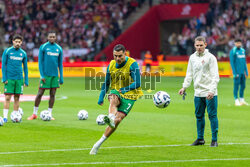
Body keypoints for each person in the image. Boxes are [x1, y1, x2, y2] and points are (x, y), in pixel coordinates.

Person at [90, 44, 143, 155]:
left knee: (117, 121)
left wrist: (125, 89)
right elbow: (107, 83)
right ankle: (110, 117)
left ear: (125, 54)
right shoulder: (112, 65)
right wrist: (101, 97)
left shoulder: (132, 64)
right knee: (113, 98)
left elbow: (138, 83)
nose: (118, 58)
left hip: (130, 95)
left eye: (120, 56)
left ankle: (97, 144)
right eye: (115, 56)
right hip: (117, 91)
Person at [178, 36, 220, 147]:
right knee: (199, 116)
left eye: (201, 45)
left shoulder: (211, 58)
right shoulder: (192, 58)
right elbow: (189, 74)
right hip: (198, 93)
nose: (199, 47)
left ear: (205, 45)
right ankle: (200, 139)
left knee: (212, 115)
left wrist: (211, 90)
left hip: (209, 92)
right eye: (197, 45)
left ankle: (214, 140)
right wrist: (184, 87)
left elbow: (215, 76)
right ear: (194, 45)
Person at [27, 31, 63, 120]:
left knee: (53, 94)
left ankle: (50, 114)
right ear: (47, 37)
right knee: (40, 94)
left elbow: (60, 64)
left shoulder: (59, 48)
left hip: (54, 76)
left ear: (55, 38)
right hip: (45, 75)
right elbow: (40, 62)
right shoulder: (43, 47)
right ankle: (34, 114)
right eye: (50, 37)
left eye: (53, 37)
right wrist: (42, 75)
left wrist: (61, 76)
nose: (52, 38)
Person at [1, 34, 28, 123]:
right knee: (8, 97)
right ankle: (5, 117)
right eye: (16, 41)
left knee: (17, 98)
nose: (17, 43)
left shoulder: (23, 53)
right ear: (13, 42)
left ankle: (16, 116)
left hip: (19, 79)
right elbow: (3, 66)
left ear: (21, 43)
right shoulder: (7, 51)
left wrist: (26, 80)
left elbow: (25, 68)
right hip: (10, 79)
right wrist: (4, 78)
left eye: (19, 42)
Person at [229, 39, 248, 106]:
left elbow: (244, 62)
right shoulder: (233, 51)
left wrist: (246, 72)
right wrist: (234, 73)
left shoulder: (243, 51)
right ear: (235, 43)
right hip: (237, 73)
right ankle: (236, 100)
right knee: (236, 86)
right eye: (237, 43)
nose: (238, 44)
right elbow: (232, 63)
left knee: (243, 86)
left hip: (243, 73)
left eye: (239, 43)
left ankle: (242, 100)